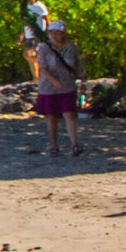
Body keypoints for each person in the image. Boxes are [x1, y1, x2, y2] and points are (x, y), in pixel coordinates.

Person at [29, 20, 85, 157]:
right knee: (52, 116)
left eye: (57, 33)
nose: (54, 35)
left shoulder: (71, 47)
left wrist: (83, 81)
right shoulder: (43, 47)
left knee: (69, 113)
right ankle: (54, 146)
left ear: (63, 33)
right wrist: (55, 82)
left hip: (67, 85)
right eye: (51, 32)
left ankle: (74, 145)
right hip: (48, 87)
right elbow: (43, 68)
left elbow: (78, 64)